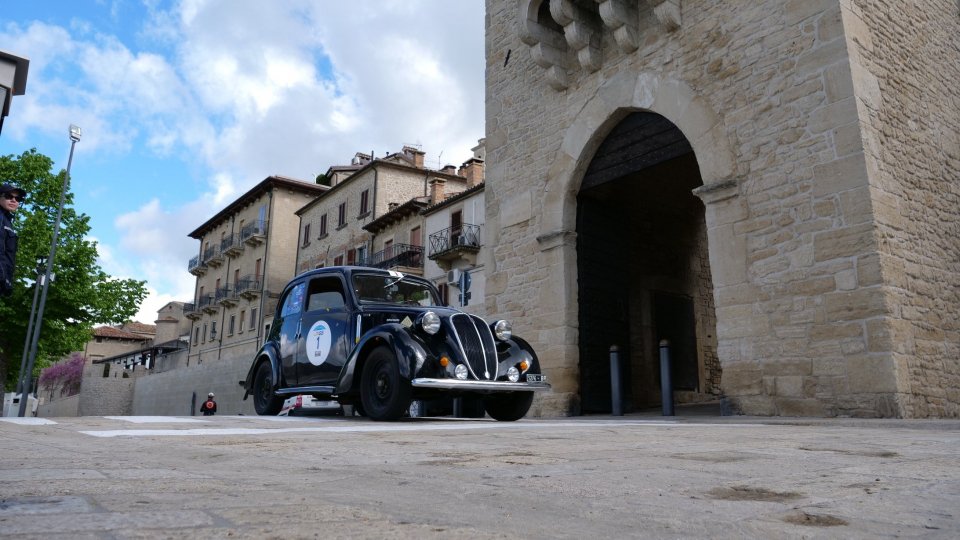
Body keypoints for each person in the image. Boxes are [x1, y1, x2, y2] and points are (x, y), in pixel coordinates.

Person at [1, 183, 26, 297]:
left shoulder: (6, 220)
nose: (13, 200)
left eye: (18, 198)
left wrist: (7, 280)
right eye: (8, 196)